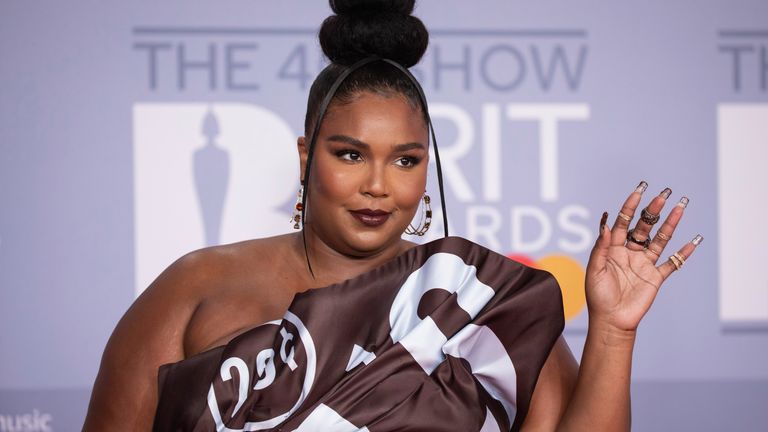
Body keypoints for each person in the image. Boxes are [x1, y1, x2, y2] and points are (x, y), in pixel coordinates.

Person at [83, 1, 702, 430]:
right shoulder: (195, 288)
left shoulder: (476, 300)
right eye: (350, 154)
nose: (378, 186)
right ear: (306, 156)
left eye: (405, 160)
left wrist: (614, 332)